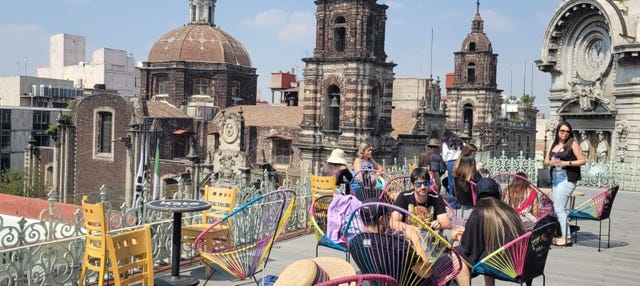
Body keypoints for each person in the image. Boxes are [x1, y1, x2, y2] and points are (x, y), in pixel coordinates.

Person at [452, 178, 526, 286]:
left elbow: (468, 248)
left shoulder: (479, 212)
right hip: (519, 264)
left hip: (501, 267)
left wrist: (458, 236)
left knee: (456, 254)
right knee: (488, 250)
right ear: (498, 192)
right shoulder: (509, 210)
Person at [350, 198, 430, 282]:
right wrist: (415, 238)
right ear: (381, 220)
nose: (389, 221)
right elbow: (426, 272)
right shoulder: (398, 245)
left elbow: (371, 245)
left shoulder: (354, 243)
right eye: (388, 218)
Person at [544, 121, 586, 246]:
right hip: (556, 178)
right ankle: (564, 234)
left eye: (568, 131)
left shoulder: (572, 144)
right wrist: (551, 162)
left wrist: (566, 163)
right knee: (558, 209)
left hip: (567, 179)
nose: (565, 133)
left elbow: (583, 160)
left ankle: (566, 238)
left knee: (559, 209)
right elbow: (546, 160)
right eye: (562, 131)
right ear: (558, 131)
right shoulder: (553, 143)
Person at [391, 167, 451, 232]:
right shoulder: (404, 197)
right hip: (407, 236)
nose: (423, 187)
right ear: (413, 185)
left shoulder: (436, 198)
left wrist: (438, 223)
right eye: (418, 184)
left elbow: (447, 224)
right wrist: (414, 229)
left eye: (426, 184)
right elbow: (393, 223)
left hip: (429, 237)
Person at [442, 131, 464, 196]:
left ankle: (452, 199)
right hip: (460, 162)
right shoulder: (461, 142)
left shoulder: (446, 144)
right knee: (460, 181)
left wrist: (445, 161)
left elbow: (444, 156)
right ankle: (460, 198)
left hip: (451, 163)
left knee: (451, 182)